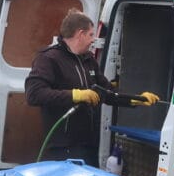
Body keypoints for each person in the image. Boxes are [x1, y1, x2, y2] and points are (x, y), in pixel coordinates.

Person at [26, 9, 159, 166]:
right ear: (80, 34)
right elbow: (34, 94)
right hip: (62, 147)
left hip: (88, 144)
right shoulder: (49, 59)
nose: (93, 40)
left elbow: (107, 92)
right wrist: (74, 95)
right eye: (91, 35)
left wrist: (135, 99)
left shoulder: (88, 60)